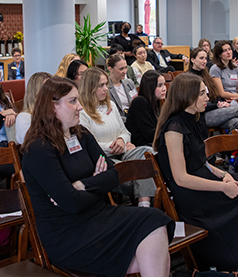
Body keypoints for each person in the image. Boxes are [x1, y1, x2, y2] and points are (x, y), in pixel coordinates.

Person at [21, 76, 174, 277]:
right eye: (73, 101)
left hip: (99, 215)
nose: (80, 107)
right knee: (155, 245)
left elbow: (113, 176)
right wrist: (95, 184)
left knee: (156, 221)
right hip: (68, 233)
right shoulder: (39, 149)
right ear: (53, 107)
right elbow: (72, 204)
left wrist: (83, 185)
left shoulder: (81, 134)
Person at [153, 72, 238, 272]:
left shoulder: (193, 118)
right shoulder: (174, 128)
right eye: (203, 94)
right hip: (191, 193)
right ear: (188, 96)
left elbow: (200, 161)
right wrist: (223, 187)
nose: (208, 98)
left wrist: (223, 174)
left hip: (203, 178)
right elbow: (181, 178)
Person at [78, 67, 156, 207]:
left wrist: (121, 140)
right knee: (141, 167)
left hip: (123, 152)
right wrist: (115, 146)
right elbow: (89, 145)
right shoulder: (82, 113)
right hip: (105, 159)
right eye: (101, 85)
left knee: (147, 152)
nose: (106, 89)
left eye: (106, 85)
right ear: (90, 87)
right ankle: (145, 203)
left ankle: (145, 203)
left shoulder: (111, 105)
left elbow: (125, 132)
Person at [188, 47, 238, 132]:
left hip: (215, 110)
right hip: (201, 115)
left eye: (206, 58)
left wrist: (222, 103)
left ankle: (230, 145)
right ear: (192, 60)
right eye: (201, 58)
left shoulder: (206, 74)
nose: (204, 61)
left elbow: (214, 94)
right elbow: (195, 104)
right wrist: (217, 105)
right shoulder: (189, 78)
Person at [126, 70, 166, 148]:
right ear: (150, 87)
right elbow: (149, 135)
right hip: (142, 147)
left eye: (164, 84)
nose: (164, 88)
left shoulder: (157, 103)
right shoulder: (140, 102)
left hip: (153, 144)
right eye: (160, 85)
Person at [15, 72, 51, 145]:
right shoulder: (24, 117)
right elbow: (32, 144)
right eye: (47, 89)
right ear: (36, 92)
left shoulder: (56, 112)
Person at [107, 54, 138, 121]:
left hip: (132, 118)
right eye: (121, 69)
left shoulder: (129, 83)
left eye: (125, 67)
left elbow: (136, 103)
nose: (125, 71)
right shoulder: (105, 87)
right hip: (118, 120)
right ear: (110, 69)